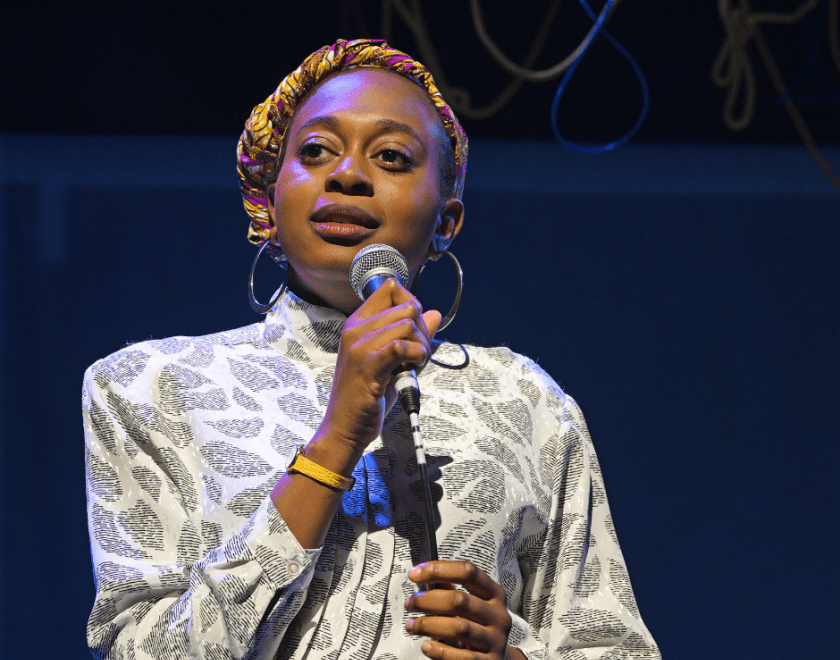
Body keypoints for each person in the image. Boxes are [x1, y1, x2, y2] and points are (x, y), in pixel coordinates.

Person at [83, 38, 660, 660]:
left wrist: (511, 657)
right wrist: (336, 437)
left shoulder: (525, 399)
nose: (349, 174)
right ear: (268, 201)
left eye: (391, 156)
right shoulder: (149, 386)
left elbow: (615, 647)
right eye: (314, 151)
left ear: (446, 220)